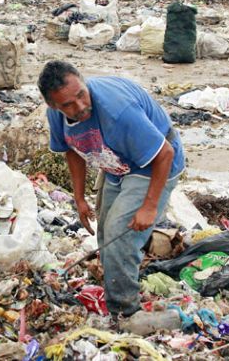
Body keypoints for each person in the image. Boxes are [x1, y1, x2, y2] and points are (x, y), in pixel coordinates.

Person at [37, 61, 185, 320]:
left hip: (152, 163)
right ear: (54, 106)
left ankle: (126, 313)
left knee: (121, 234)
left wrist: (149, 207)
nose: (80, 107)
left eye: (81, 95)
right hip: (117, 163)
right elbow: (72, 149)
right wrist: (79, 197)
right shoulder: (56, 115)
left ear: (84, 82)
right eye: (68, 105)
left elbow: (165, 153)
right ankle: (120, 280)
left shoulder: (116, 111)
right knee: (106, 232)